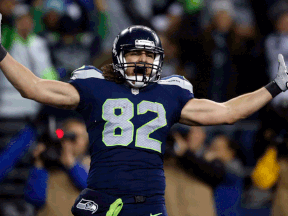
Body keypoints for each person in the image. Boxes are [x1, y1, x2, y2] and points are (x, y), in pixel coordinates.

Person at [0, 23, 287, 216]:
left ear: (158, 59)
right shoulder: (93, 84)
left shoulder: (171, 91)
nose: (142, 61)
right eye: (134, 53)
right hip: (103, 197)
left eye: (148, 55)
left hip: (147, 201)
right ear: (118, 57)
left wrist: (274, 87)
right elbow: (33, 87)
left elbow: (229, 112)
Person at [24, 117, 89, 216]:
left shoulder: (92, 164)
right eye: (72, 136)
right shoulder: (48, 162)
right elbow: (35, 199)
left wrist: (72, 165)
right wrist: (39, 166)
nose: (77, 141)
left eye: (83, 136)